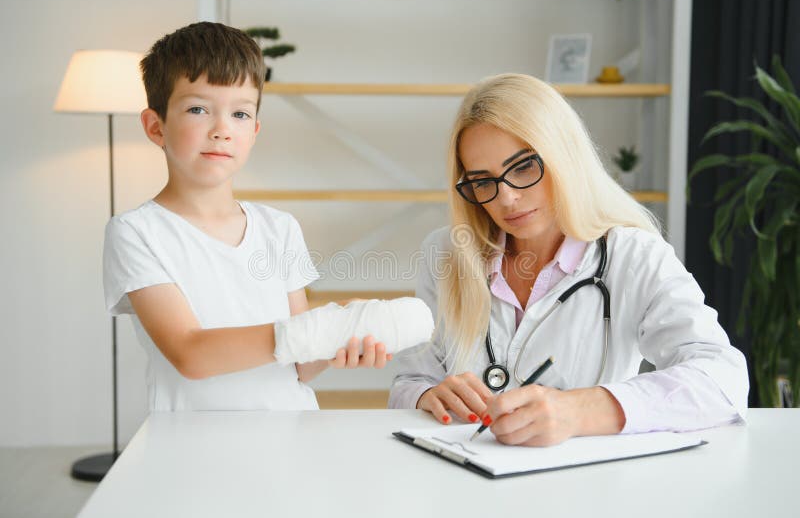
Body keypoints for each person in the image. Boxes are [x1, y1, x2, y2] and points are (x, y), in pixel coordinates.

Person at [389, 73, 749, 446]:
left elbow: (723, 380)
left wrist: (579, 411)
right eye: (483, 181)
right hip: (467, 480)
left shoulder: (634, 255)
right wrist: (427, 397)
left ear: (564, 155)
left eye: (524, 166)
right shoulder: (447, 253)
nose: (507, 198)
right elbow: (409, 383)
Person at [104, 22, 432, 412]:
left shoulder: (279, 228)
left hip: (289, 439)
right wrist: (319, 330)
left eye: (240, 114)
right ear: (156, 127)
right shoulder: (136, 232)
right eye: (197, 109)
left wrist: (337, 342)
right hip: (193, 451)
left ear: (255, 130)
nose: (222, 129)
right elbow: (190, 354)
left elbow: (299, 365)